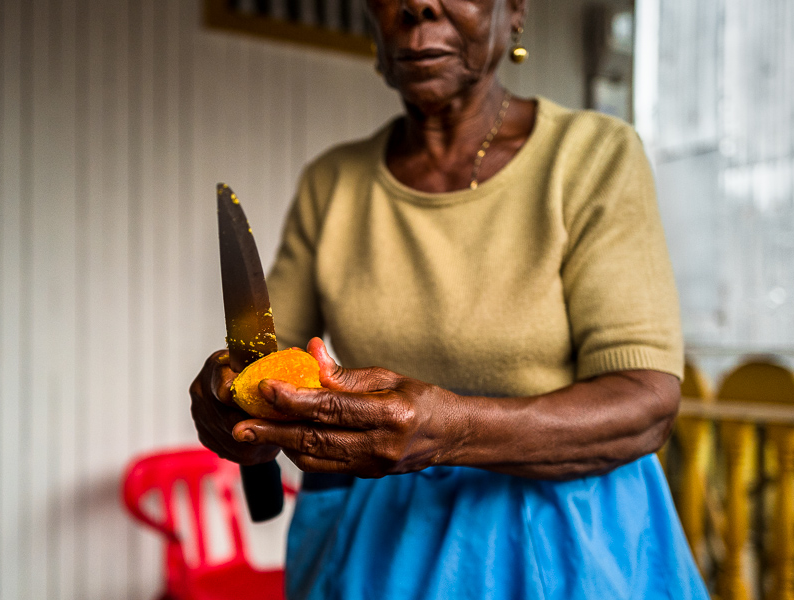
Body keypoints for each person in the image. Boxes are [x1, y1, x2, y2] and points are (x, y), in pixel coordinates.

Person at [190, 0, 709, 597]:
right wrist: (233, 403)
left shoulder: (593, 156)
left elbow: (646, 402)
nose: (419, 4)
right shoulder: (333, 182)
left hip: (562, 544)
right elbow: (268, 359)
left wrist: (454, 431)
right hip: (376, 546)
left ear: (514, 10)